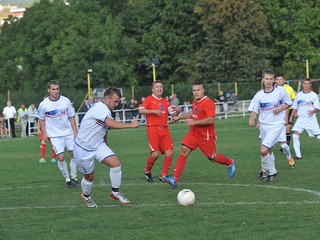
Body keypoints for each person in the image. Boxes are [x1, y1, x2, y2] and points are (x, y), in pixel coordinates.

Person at [74, 87, 140, 208]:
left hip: (98, 144)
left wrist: (105, 142)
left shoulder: (107, 110)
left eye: (118, 101)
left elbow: (104, 128)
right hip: (83, 148)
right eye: (115, 101)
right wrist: (131, 124)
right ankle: (86, 196)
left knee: (116, 164)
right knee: (89, 177)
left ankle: (115, 192)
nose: (117, 104)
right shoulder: (100, 108)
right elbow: (110, 124)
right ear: (107, 99)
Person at [164, 81, 236, 188]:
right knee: (183, 150)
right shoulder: (195, 101)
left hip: (206, 135)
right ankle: (175, 179)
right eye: (194, 90)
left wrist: (194, 122)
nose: (196, 92)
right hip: (194, 133)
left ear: (203, 90)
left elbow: (210, 120)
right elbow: (193, 113)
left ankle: (230, 162)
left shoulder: (208, 102)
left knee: (212, 157)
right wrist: (179, 117)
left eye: (198, 90)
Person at [248, 69, 292, 182]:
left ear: (274, 80)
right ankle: (270, 172)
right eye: (266, 79)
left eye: (271, 79)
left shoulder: (280, 91)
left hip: (277, 125)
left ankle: (267, 170)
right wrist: (252, 118)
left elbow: (289, 103)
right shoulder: (259, 95)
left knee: (263, 150)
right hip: (264, 125)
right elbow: (254, 109)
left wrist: (279, 109)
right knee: (269, 150)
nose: (268, 81)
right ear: (263, 80)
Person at [37, 80, 79, 188]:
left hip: (68, 133)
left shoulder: (66, 101)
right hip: (55, 135)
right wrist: (44, 132)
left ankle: (74, 177)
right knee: (60, 158)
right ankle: (67, 178)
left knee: (74, 154)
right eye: (53, 89)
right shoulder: (44, 104)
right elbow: (41, 119)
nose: (56, 91)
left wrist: (75, 131)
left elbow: (71, 116)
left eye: (57, 89)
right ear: (49, 90)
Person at [139, 80, 181, 183]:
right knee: (155, 154)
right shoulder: (149, 99)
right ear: (153, 89)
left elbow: (172, 113)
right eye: (157, 87)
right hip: (153, 129)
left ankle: (163, 176)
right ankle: (147, 170)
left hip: (165, 129)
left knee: (170, 152)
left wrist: (177, 111)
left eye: (161, 87)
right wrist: (153, 111)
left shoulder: (165, 102)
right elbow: (141, 110)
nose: (159, 88)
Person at [289, 78, 320, 159]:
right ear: (302, 84)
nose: (306, 85)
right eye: (305, 83)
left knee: (318, 136)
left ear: (310, 85)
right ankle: (298, 155)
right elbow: (295, 107)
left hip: (311, 119)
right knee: (295, 135)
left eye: (308, 84)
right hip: (301, 119)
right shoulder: (299, 95)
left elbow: (317, 108)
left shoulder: (314, 95)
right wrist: (291, 117)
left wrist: (312, 111)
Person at [275, 73, 296, 148]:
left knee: (288, 128)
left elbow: (294, 100)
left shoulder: (289, 88)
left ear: (284, 80)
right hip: (278, 111)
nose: (279, 81)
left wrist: (295, 111)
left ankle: (285, 146)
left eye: (281, 79)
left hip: (289, 110)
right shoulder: (273, 89)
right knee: (279, 129)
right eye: (278, 79)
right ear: (275, 81)